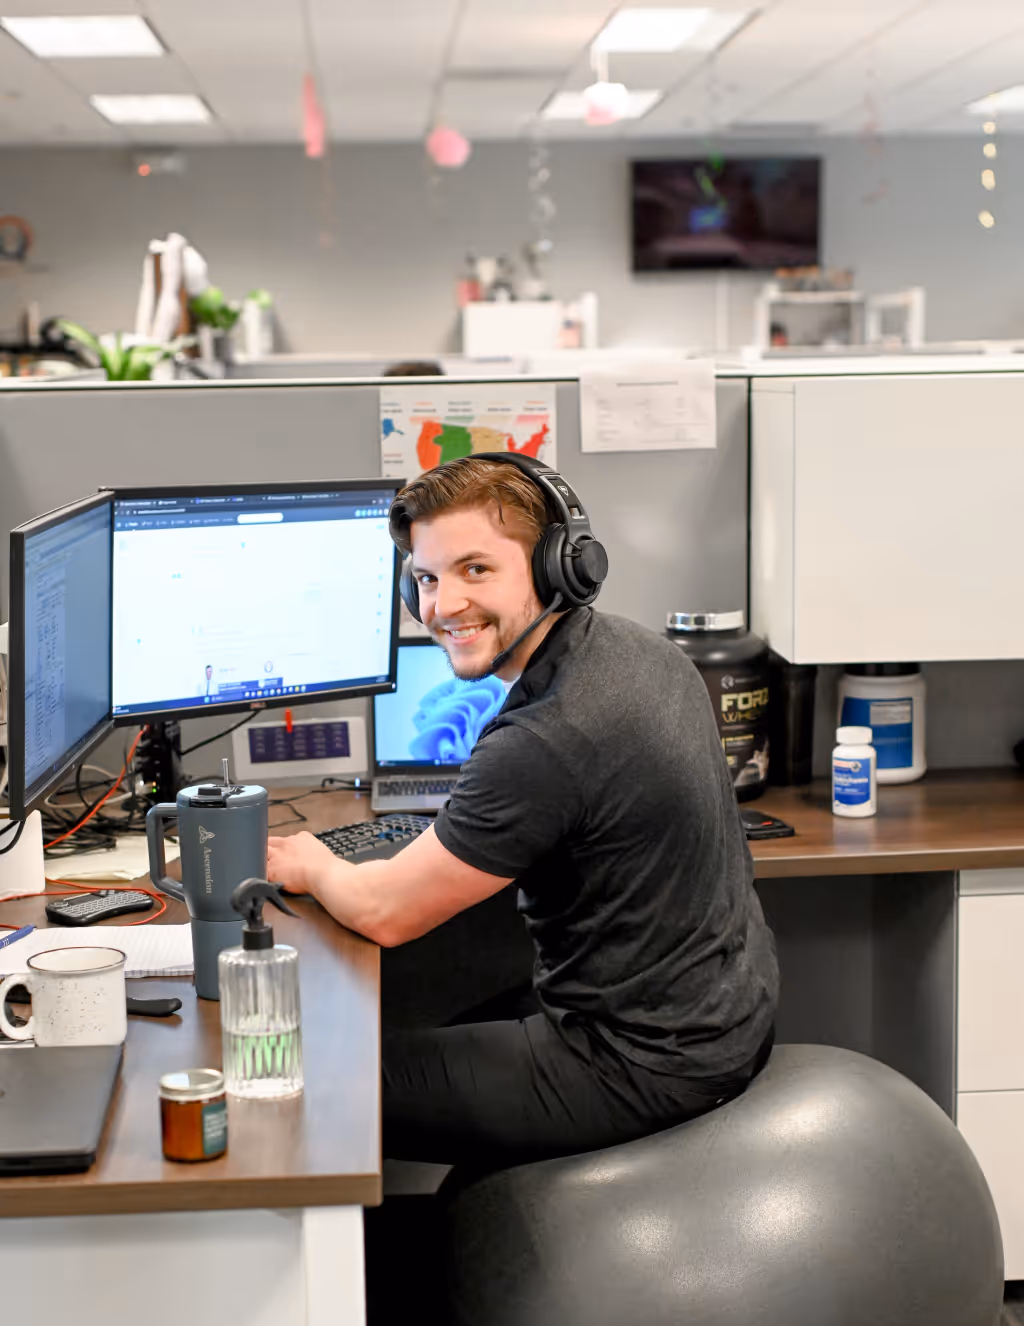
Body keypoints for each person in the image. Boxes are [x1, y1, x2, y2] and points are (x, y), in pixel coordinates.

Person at [267, 456, 778, 1166]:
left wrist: (312, 861)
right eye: (426, 578)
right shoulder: (642, 652)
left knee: (300, 1080)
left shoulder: (546, 738)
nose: (443, 606)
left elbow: (386, 912)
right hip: (722, 1014)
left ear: (558, 567)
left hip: (637, 1063)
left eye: (476, 570)